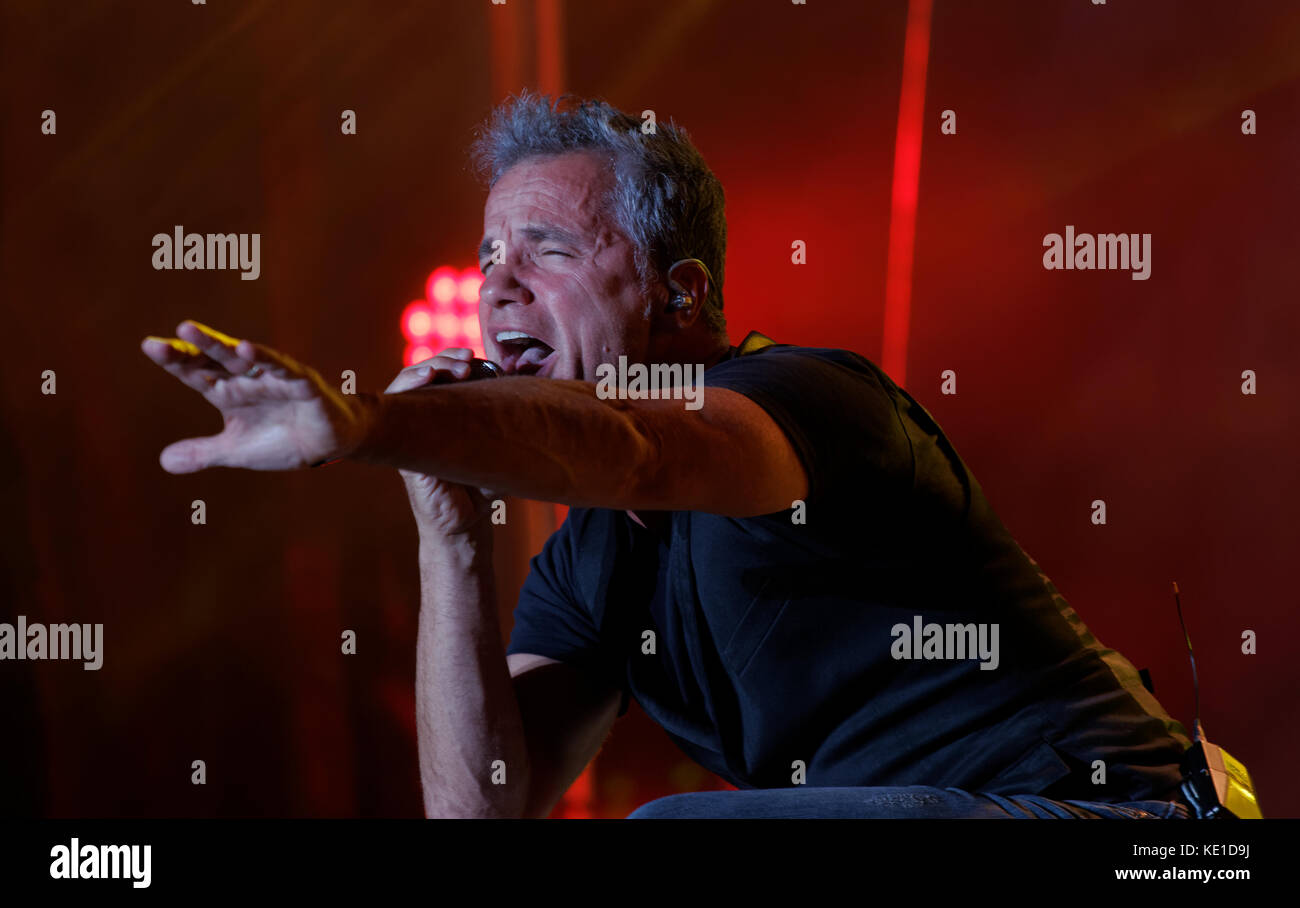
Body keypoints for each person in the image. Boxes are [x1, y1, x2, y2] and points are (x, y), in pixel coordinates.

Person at [141, 91, 1193, 819]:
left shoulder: (806, 401)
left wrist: (374, 427)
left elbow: (641, 446)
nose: (497, 285)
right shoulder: (590, 562)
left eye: (549, 249)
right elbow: (481, 808)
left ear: (680, 293)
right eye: (490, 256)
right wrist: (444, 520)